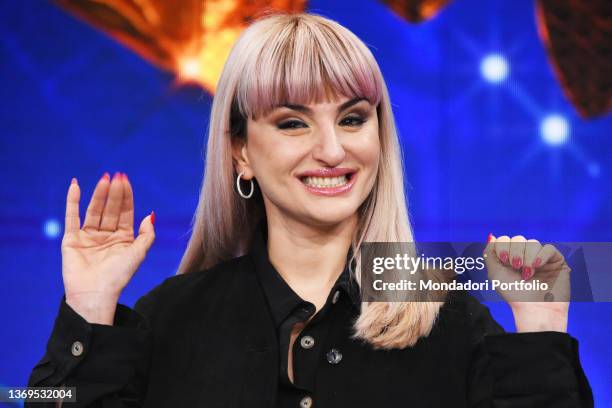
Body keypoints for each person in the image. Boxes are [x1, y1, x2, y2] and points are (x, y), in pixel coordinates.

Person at [27, 12, 593, 408]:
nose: (332, 149)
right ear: (241, 150)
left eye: (352, 119)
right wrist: (89, 310)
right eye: (293, 122)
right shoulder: (167, 320)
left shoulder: (450, 321)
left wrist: (541, 331)